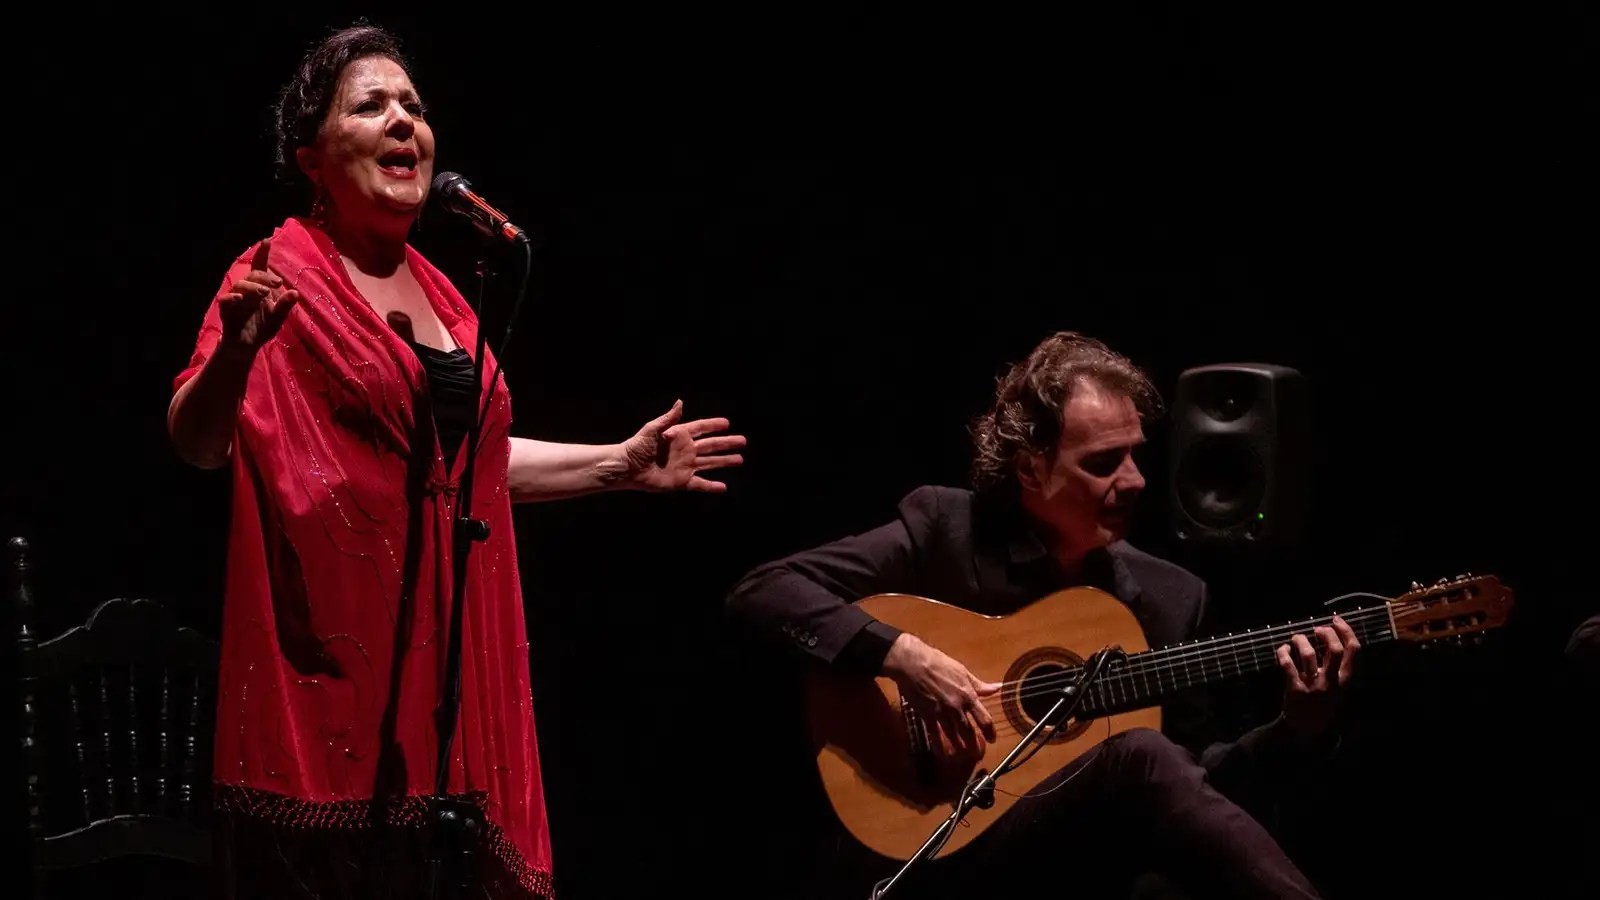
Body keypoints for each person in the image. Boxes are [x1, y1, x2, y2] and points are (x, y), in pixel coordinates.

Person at [167, 23, 745, 900]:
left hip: (452, 682)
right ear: (312, 156)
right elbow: (199, 441)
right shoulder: (272, 274)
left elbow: (466, 469)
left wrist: (618, 467)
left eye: (414, 106)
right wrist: (237, 355)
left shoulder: (446, 295)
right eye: (371, 106)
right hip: (339, 683)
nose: (404, 122)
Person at [725, 331, 1357, 900]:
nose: (1135, 481)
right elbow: (765, 589)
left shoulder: (1170, 595)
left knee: (1145, 774)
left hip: (1072, 858)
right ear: (1030, 466)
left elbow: (1189, 784)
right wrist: (904, 656)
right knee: (1136, 752)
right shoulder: (946, 530)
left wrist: (1295, 729)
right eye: (1103, 463)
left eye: (1135, 455)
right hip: (935, 844)